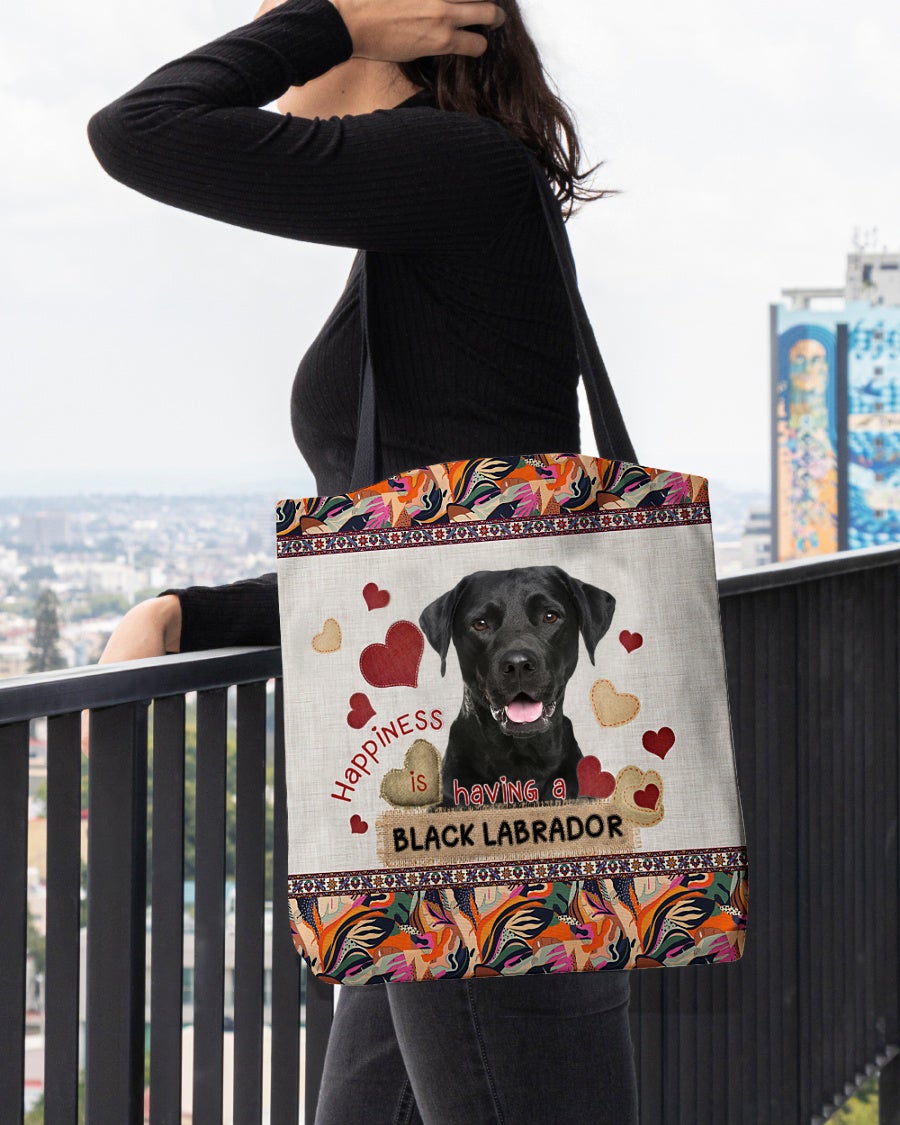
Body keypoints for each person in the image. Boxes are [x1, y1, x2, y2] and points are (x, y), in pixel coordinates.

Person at [88, 1, 640, 1121]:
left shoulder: (457, 168)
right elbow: (423, 566)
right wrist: (195, 614)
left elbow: (139, 128)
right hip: (448, 806)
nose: (269, 27)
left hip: (479, 822)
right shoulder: (441, 203)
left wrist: (335, 24)